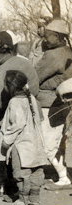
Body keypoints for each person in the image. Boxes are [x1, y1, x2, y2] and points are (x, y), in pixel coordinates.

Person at [0, 70, 46, 205]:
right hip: (36, 142)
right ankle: (34, 199)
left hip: (21, 145)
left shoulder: (15, 101)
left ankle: (21, 200)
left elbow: (17, 124)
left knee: (21, 173)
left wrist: (6, 141)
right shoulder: (32, 98)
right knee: (36, 171)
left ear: (10, 86)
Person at [34, 19, 72, 189]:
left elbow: (34, 77)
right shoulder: (68, 52)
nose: (45, 39)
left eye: (48, 36)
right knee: (58, 142)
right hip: (62, 104)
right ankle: (62, 174)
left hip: (48, 105)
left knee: (48, 145)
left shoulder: (52, 55)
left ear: (57, 36)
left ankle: (64, 178)